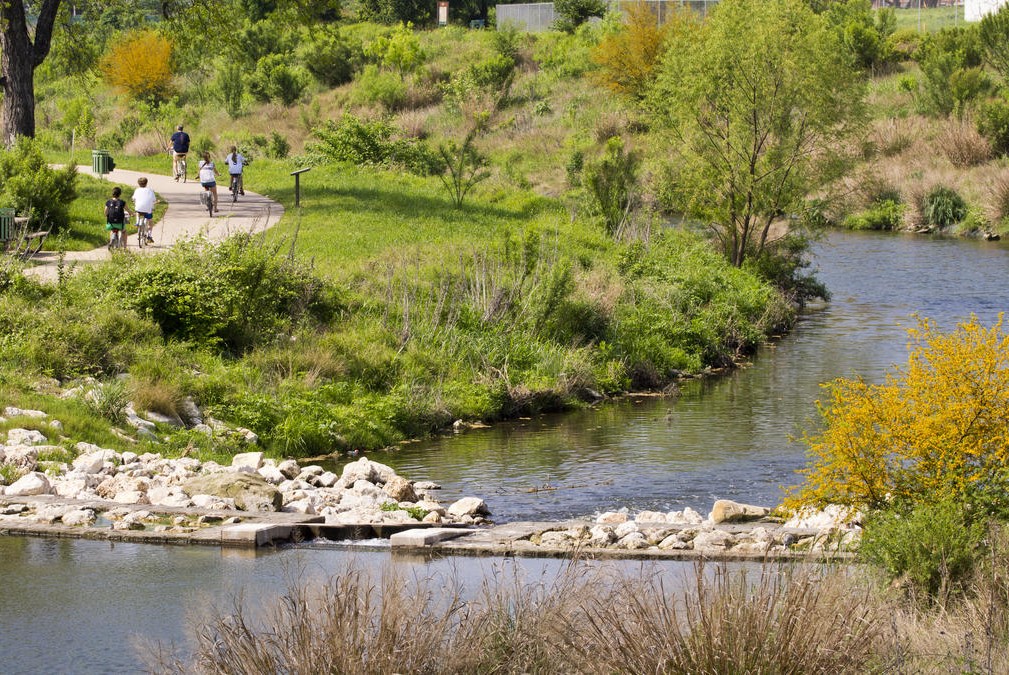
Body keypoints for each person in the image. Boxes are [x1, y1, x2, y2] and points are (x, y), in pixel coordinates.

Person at [131, 177, 157, 244]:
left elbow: (133, 198)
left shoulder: (137, 190)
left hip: (139, 208)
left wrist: (134, 201)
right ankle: (149, 235)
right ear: (146, 183)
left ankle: (137, 222)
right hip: (148, 209)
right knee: (150, 221)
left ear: (138, 184)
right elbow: (154, 200)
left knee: (137, 212)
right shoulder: (150, 190)